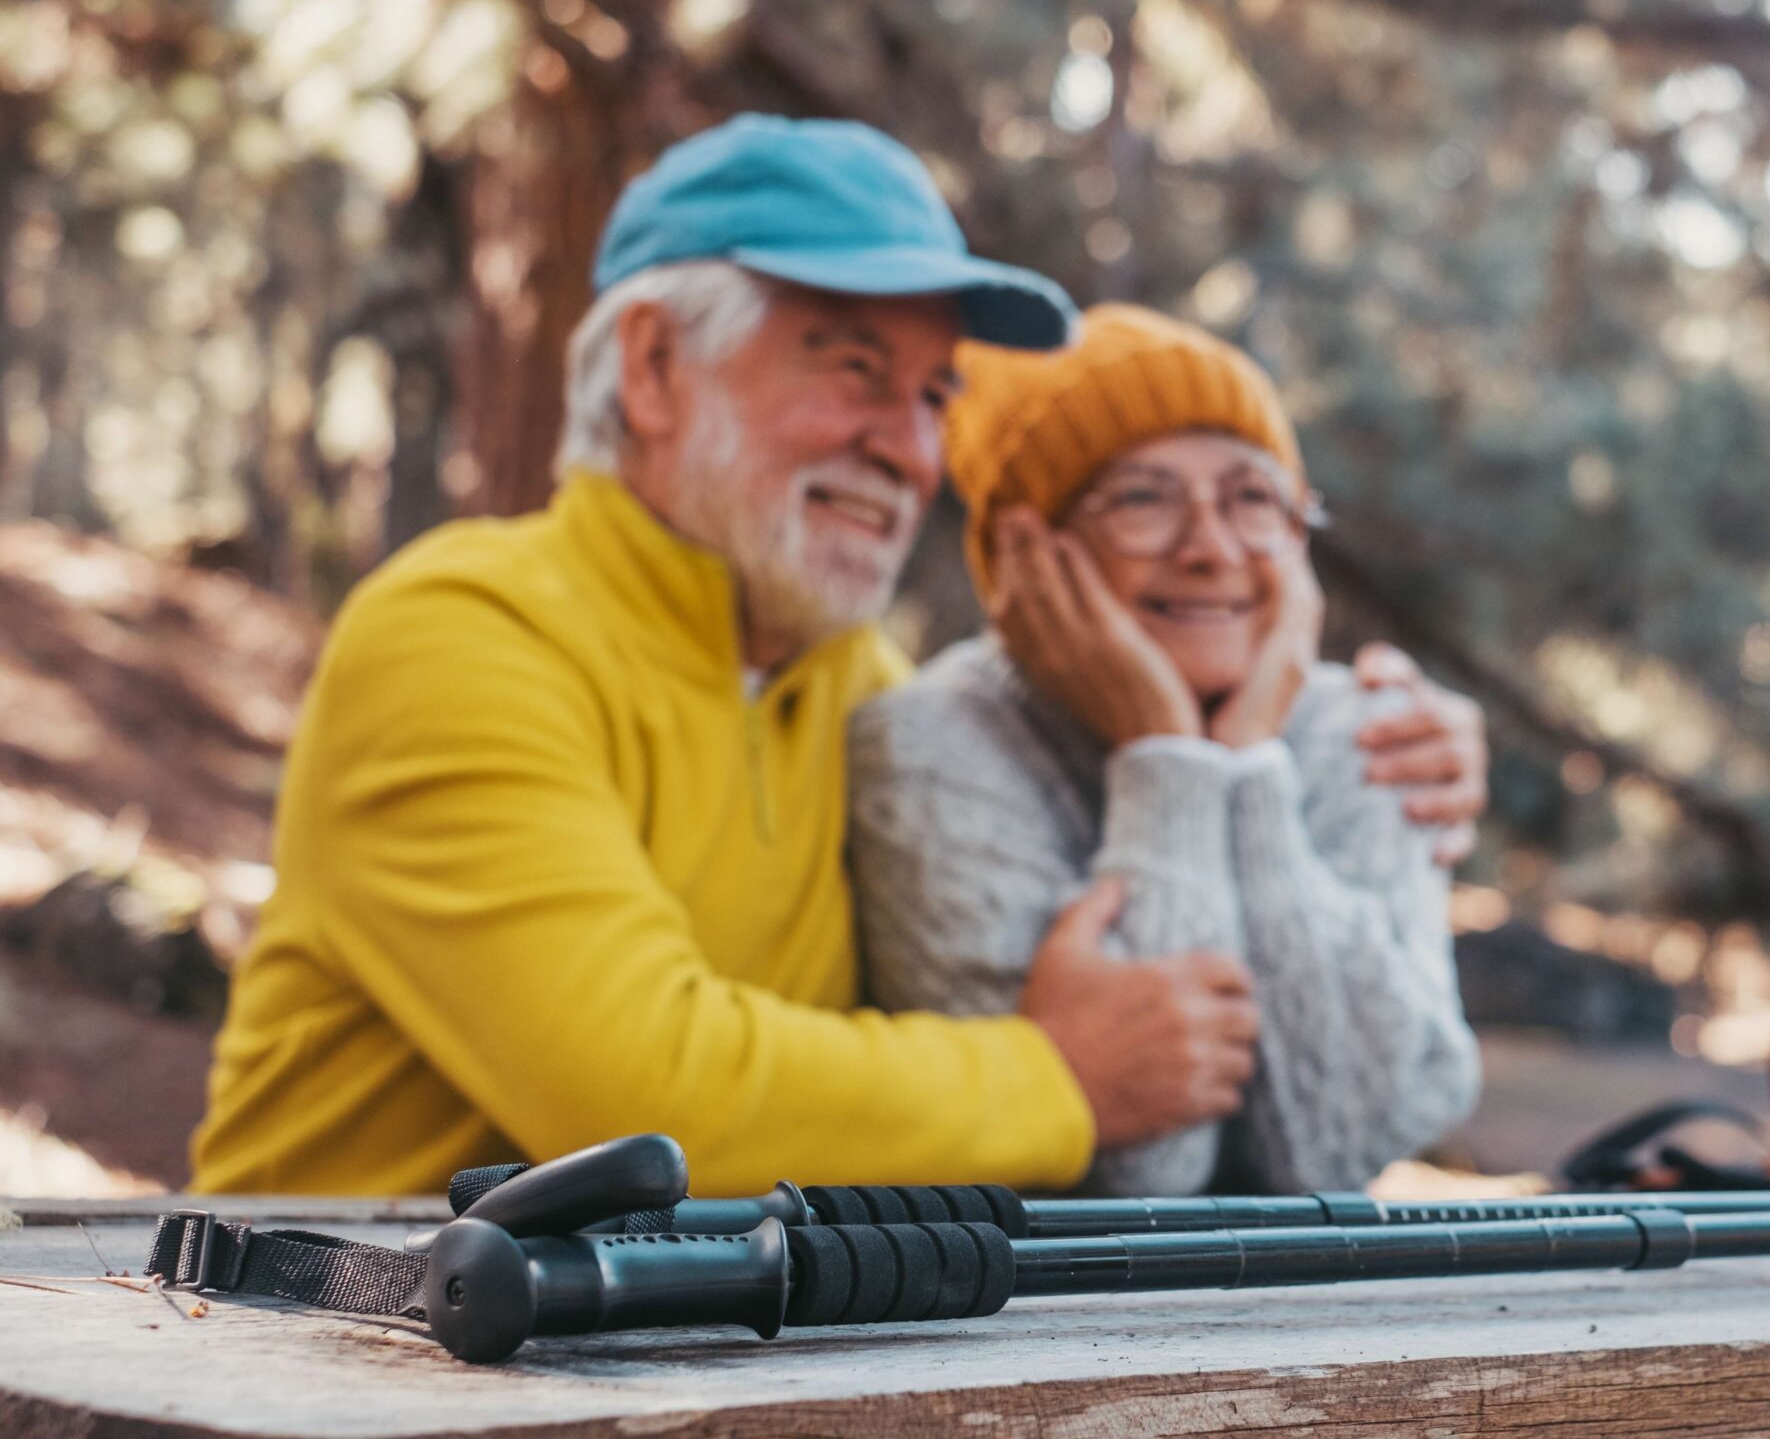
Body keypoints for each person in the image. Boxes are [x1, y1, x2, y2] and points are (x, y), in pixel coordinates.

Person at [190, 116, 1489, 1196]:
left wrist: (1341, 737)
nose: (909, 448)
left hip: (638, 1370)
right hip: (318, 1351)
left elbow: (1053, 744)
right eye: (853, 365)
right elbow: (640, 1097)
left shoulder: (861, 691)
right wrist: (1062, 1074)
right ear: (652, 368)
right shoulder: (460, 633)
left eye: (932, 396)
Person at [847, 307, 1480, 1194]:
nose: (1212, 549)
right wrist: (1167, 760)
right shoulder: (926, 751)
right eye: (1142, 498)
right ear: (1023, 558)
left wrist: (1251, 763)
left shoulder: (1371, 731)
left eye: (1253, 498)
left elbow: (1341, 1148)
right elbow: (1134, 1177)